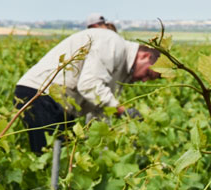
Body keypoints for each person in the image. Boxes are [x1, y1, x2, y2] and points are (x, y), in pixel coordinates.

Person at [14, 27, 159, 152]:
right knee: (50, 160)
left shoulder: (121, 71)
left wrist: (102, 149)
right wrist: (121, 110)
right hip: (39, 96)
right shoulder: (113, 44)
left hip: (57, 105)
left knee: (61, 162)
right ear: (144, 56)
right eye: (148, 73)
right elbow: (89, 85)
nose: (144, 80)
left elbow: (99, 109)